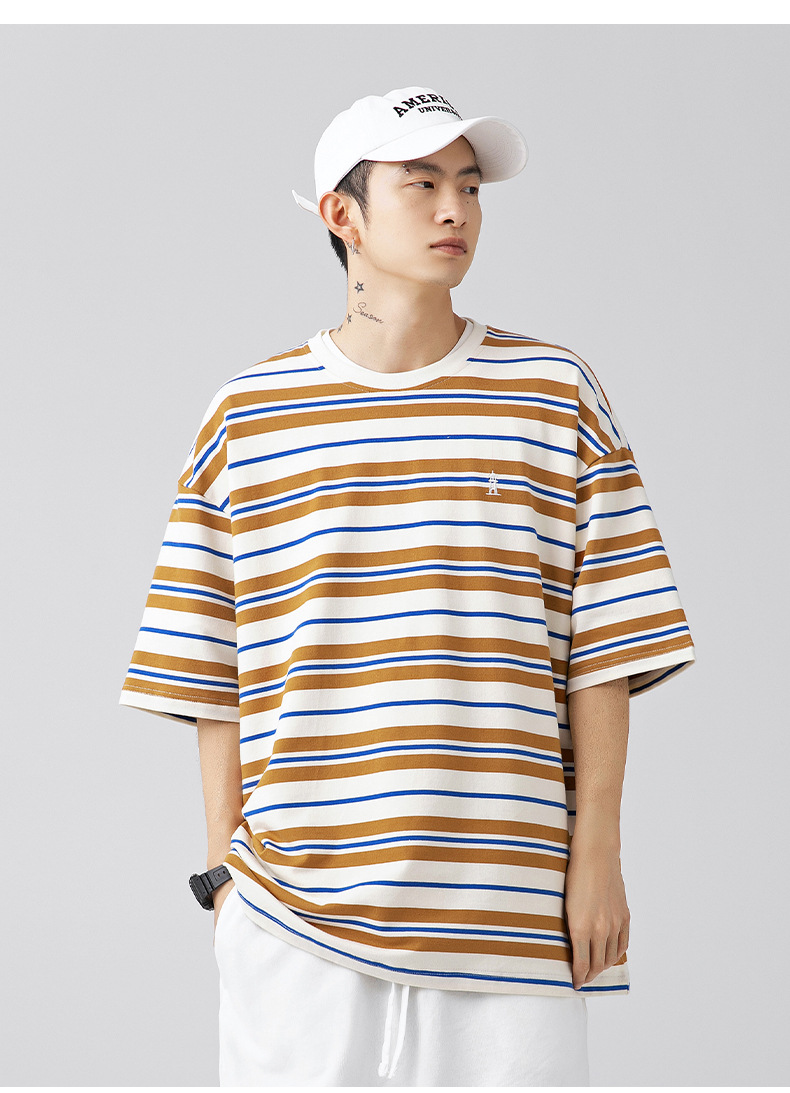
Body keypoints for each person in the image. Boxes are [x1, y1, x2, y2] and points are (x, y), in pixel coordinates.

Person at [120, 86, 696, 1086]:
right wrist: (227, 879)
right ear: (341, 214)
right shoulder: (248, 415)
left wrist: (596, 855)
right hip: (293, 914)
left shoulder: (554, 392)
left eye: (469, 187)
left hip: (508, 905)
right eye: (421, 184)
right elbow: (210, 664)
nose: (454, 209)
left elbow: (605, 640)